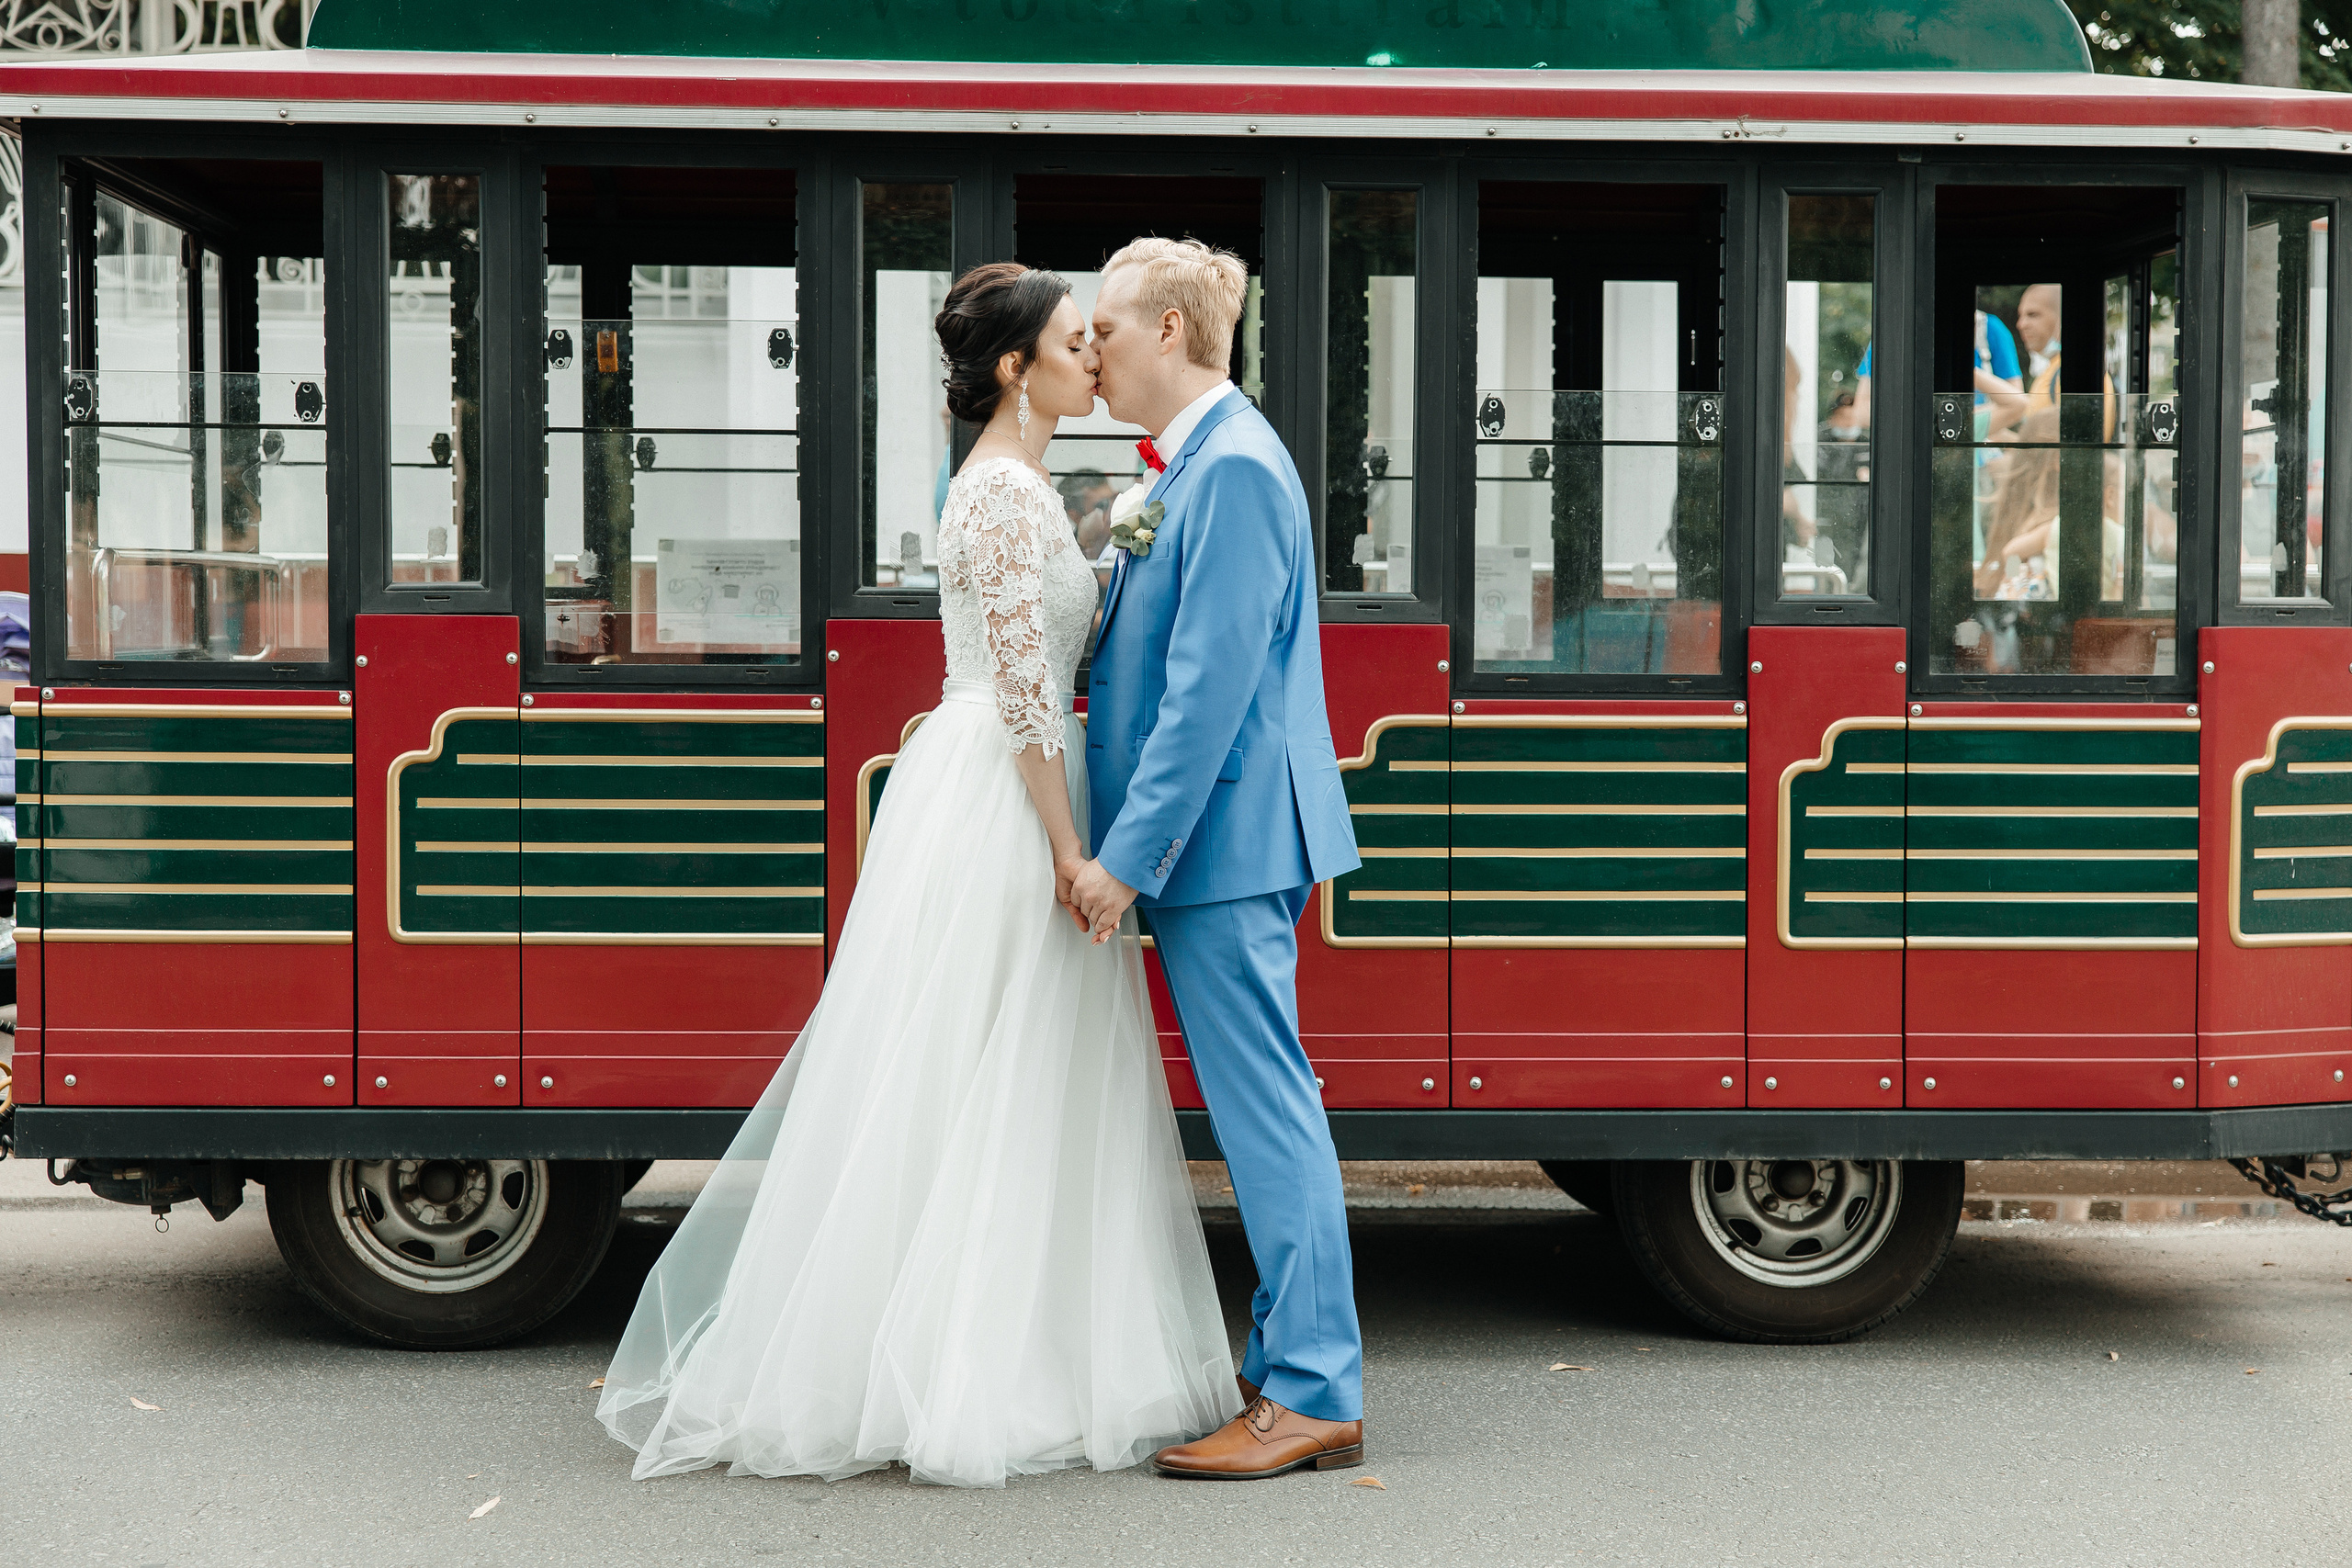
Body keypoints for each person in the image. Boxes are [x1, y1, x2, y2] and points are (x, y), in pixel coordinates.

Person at [595, 262, 1238, 1489]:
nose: (1093, 357)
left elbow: (1051, 635)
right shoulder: (998, 493)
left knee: (1015, 1070)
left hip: (1008, 778)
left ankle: (1006, 1347)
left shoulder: (1023, 488)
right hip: (1005, 794)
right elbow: (1027, 690)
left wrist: (1113, 546)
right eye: (1073, 341)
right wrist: (1070, 850)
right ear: (1015, 368)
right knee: (983, 1064)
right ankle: (960, 1365)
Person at [1069, 237, 1367, 1480]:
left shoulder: (1232, 467)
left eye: (1107, 328)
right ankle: (1290, 1361)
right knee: (1260, 1107)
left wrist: (1125, 861)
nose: (1092, 349)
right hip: (1224, 837)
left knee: (1265, 1111)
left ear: (1172, 332)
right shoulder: (1198, 461)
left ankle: (1314, 1391)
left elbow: (1207, 693)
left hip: (1226, 842)